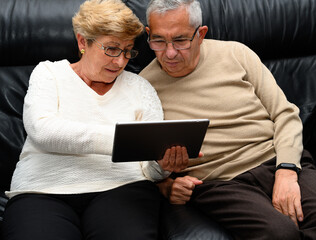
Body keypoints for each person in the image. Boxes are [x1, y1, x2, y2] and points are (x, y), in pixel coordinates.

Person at [139, 0, 316, 239]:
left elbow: (285, 114)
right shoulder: (142, 87)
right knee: (280, 234)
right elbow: (138, 158)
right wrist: (166, 186)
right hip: (219, 182)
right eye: (159, 40)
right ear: (148, 34)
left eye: (181, 40)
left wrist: (286, 171)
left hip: (276, 159)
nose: (169, 53)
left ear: (200, 34)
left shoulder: (236, 53)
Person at [2, 0, 189, 239]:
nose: (120, 62)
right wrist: (127, 140)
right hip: (42, 190)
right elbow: (43, 131)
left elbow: (148, 170)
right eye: (111, 49)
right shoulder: (49, 73)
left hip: (122, 189)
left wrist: (163, 166)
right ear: (83, 42)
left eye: (127, 50)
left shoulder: (140, 87)